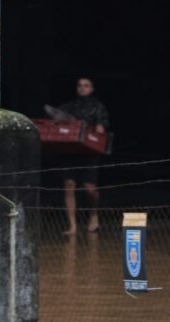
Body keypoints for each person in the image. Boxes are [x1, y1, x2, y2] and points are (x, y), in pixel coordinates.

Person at [57, 77, 110, 235]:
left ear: (92, 88)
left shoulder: (98, 107)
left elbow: (103, 123)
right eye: (79, 85)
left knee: (89, 188)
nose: (82, 88)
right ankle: (72, 226)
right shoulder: (68, 106)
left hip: (89, 150)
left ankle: (93, 214)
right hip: (70, 150)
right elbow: (57, 117)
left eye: (86, 85)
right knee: (69, 185)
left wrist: (101, 126)